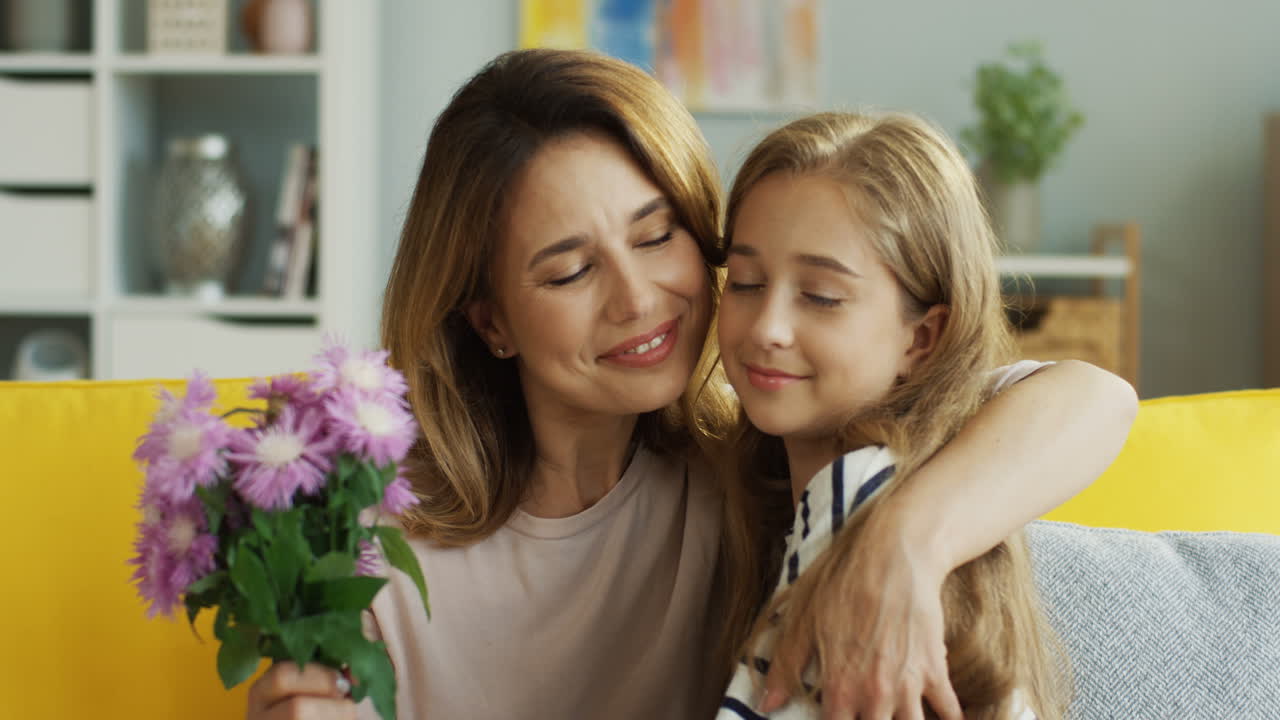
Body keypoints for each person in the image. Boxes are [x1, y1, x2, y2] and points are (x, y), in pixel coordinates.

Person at [245, 50, 1136, 720]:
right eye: (568, 273)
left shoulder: (761, 470)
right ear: (490, 322)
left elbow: (1089, 398)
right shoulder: (368, 537)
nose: (639, 301)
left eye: (656, 235)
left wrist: (903, 543)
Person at [716, 111, 1078, 719]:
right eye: (746, 282)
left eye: (821, 296)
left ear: (922, 339)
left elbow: (1099, 396)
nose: (767, 328)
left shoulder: (859, 494)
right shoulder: (776, 488)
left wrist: (905, 537)